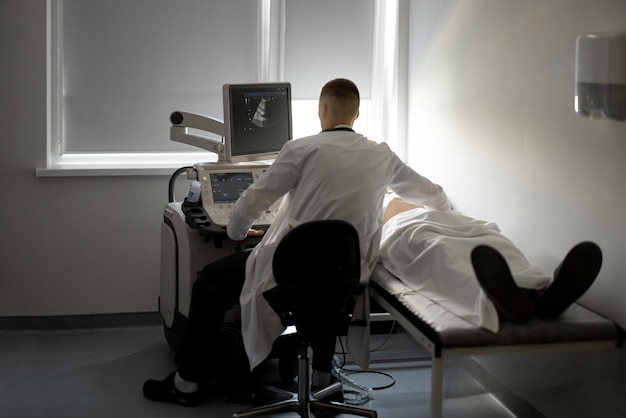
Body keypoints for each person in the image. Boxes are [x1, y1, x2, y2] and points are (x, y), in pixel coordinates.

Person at [143, 78, 450, 407]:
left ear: (322, 109)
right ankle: (322, 378)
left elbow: (250, 203)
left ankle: (186, 384)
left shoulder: (300, 149)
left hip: (288, 272)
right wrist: (444, 214)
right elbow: (432, 194)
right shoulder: (381, 155)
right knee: (325, 287)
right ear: (357, 114)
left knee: (209, 282)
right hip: (345, 274)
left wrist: (237, 233)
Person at [381, 194, 602, 329]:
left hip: (454, 222)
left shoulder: (407, 184)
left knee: (496, 243)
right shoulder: (377, 197)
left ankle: (538, 292)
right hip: (408, 228)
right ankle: (517, 297)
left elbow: (438, 198)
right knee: (441, 252)